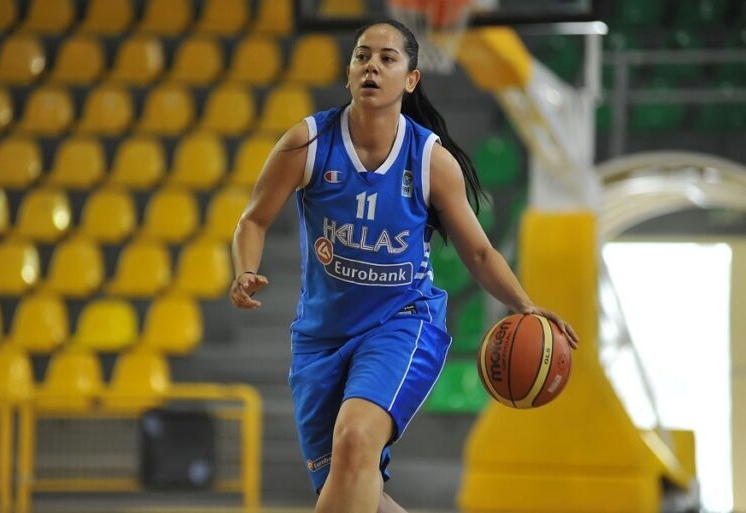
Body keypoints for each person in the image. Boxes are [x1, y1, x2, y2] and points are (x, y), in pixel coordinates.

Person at [230, 18, 580, 513]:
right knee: (354, 487)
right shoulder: (308, 143)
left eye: (387, 58)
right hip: (320, 338)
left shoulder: (430, 160)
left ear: (411, 79)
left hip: (402, 325)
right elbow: (253, 219)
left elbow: (479, 253)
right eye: (362, 55)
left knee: (355, 439)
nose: (371, 65)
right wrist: (245, 270)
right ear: (349, 72)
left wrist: (526, 305)